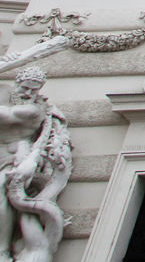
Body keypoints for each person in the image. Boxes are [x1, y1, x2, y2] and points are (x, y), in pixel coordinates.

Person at [0, 67, 72, 262]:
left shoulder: (33, 108)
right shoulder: (4, 92)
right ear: (17, 83)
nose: (28, 93)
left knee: (1, 192)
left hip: (12, 160)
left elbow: (6, 116)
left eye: (34, 89)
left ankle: (2, 250)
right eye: (25, 88)